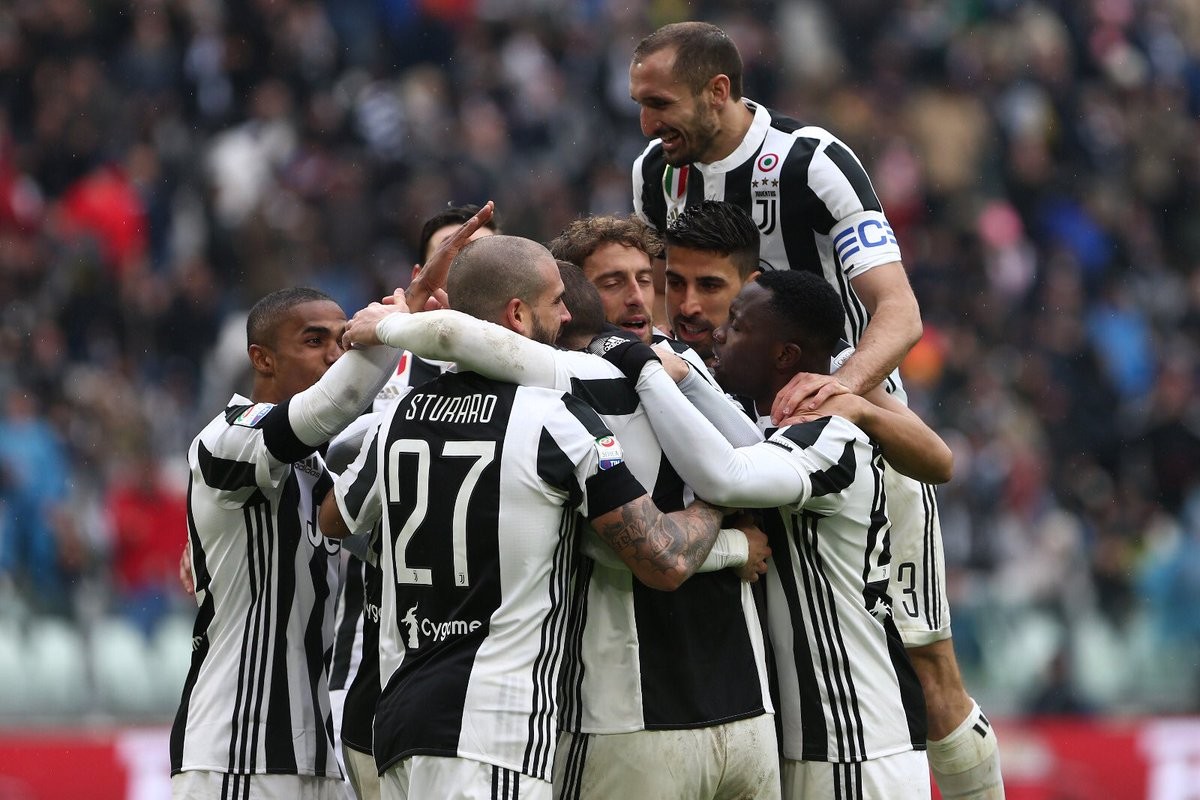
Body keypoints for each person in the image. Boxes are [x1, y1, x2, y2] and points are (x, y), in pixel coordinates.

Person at [630, 23, 1003, 799]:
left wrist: (841, 391)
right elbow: (665, 302)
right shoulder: (655, 174)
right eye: (640, 104)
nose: (646, 123)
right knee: (766, 649)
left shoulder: (811, 163)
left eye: (660, 104)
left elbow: (898, 310)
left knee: (925, 659)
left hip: (845, 433)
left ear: (717, 92)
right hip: (726, 429)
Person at [318, 234, 729, 800]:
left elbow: (334, 520)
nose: (568, 315)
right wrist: (715, 498)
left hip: (399, 726)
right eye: (556, 301)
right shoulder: (557, 419)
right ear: (517, 314)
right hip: (495, 733)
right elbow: (665, 559)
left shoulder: (398, 417)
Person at [596, 269, 936, 799]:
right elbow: (747, 446)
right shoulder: (785, 428)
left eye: (737, 325)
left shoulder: (827, 433)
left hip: (854, 738)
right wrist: (687, 379)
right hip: (818, 739)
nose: (719, 333)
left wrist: (645, 370)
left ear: (783, 355)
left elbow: (725, 476)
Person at [171, 287, 400, 799]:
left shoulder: (320, 470)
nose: (335, 356)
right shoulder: (225, 436)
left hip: (316, 754)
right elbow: (331, 405)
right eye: (315, 341)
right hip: (236, 752)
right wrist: (395, 330)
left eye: (342, 341)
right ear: (262, 359)